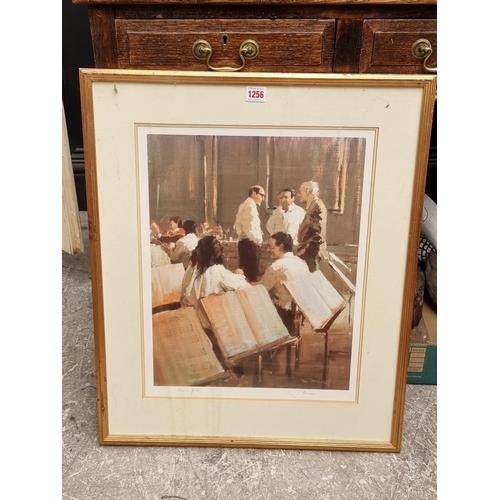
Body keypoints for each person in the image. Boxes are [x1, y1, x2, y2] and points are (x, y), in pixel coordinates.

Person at [181, 236, 250, 328]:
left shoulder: (192, 268)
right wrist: (239, 275)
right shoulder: (216, 271)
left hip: (194, 320)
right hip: (211, 324)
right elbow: (245, 287)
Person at [260, 232, 310, 332]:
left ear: (281, 247)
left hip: (283, 316)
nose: (267, 250)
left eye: (271, 247)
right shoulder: (301, 263)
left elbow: (260, 290)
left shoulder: (277, 267)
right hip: (299, 314)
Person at [233, 185, 266, 282]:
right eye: (262, 195)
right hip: (250, 245)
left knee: (246, 275)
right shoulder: (250, 206)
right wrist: (258, 240)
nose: (263, 199)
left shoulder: (245, 204)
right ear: (254, 193)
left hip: (246, 243)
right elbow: (249, 229)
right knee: (251, 277)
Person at [296, 181, 328, 272]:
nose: (298, 195)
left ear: (307, 192)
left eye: (300, 192)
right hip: (309, 251)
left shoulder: (316, 206)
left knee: (312, 276)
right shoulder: (313, 205)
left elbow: (318, 234)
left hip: (311, 252)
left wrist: (304, 248)